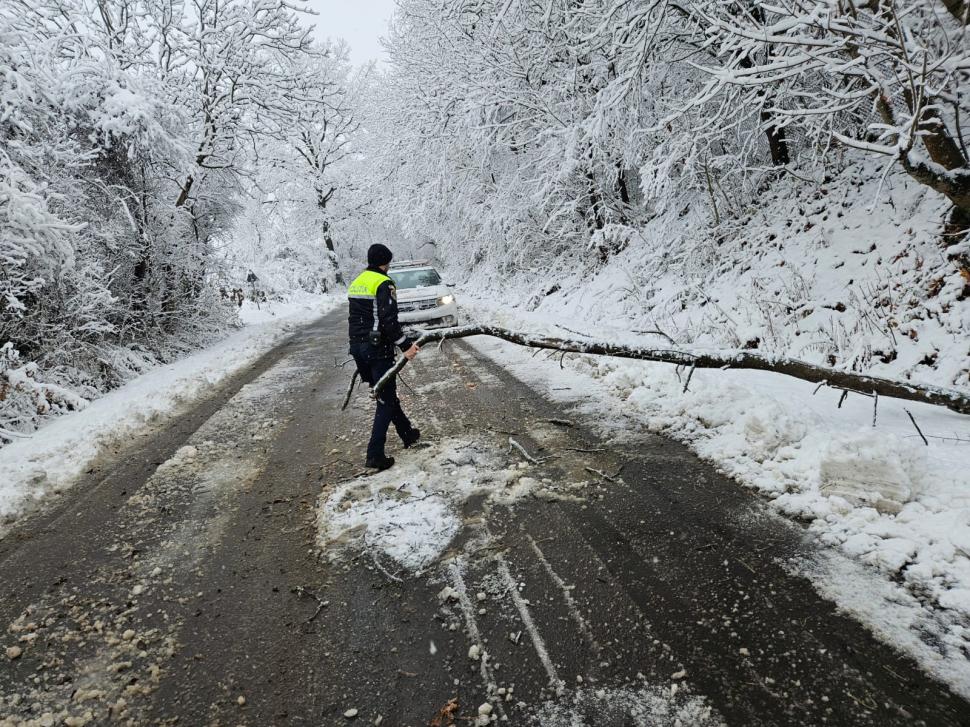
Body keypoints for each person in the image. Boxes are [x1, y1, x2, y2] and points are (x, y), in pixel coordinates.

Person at [348, 243, 422, 470]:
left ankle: (407, 433)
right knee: (386, 400)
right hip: (377, 349)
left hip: (358, 348)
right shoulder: (383, 282)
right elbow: (388, 320)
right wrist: (405, 345)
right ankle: (374, 454)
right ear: (385, 261)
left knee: (384, 393)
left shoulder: (357, 282)